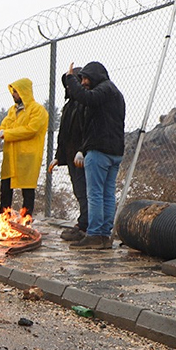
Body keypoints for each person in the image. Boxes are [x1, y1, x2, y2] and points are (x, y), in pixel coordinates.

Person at [62, 61, 125, 250]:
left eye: (86, 78)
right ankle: (105, 234)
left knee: (95, 194)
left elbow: (85, 97)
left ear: (96, 76)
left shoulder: (104, 90)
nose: (83, 83)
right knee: (107, 194)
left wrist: (70, 78)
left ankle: (95, 233)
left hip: (99, 151)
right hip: (115, 151)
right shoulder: (114, 93)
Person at [0, 78, 48, 221]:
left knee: (27, 190)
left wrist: (7, 134)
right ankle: (2, 221)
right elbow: (4, 126)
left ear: (24, 91)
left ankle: (26, 221)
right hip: (10, 156)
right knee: (5, 189)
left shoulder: (37, 110)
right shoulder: (12, 111)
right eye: (12, 91)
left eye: (16, 91)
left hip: (27, 157)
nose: (13, 94)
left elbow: (31, 129)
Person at [48, 67, 89, 242]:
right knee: (79, 190)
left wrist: (83, 151)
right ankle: (84, 222)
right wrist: (59, 156)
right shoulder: (69, 106)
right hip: (72, 156)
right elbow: (63, 135)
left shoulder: (85, 104)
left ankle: (86, 225)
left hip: (84, 157)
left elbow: (88, 131)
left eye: (72, 83)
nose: (68, 88)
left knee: (87, 191)